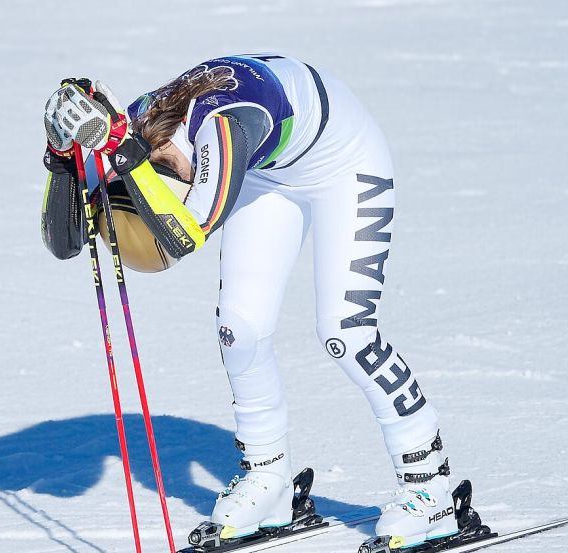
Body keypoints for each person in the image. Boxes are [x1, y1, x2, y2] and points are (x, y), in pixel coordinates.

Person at [40, 54, 456, 549]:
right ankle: (268, 481)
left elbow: (180, 237)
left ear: (171, 148)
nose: (177, 181)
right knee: (239, 329)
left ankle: (431, 491)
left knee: (347, 331)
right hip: (268, 172)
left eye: (168, 171)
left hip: (346, 165)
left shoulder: (226, 130)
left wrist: (131, 164)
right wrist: (61, 161)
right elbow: (66, 242)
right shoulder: (144, 123)